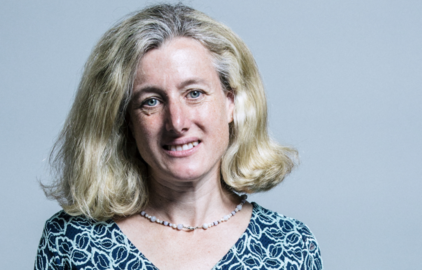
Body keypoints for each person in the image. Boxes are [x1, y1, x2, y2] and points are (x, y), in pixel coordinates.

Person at [35, 3, 322, 270]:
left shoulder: (292, 247)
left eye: (194, 93)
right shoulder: (71, 242)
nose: (177, 122)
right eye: (151, 101)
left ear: (230, 103)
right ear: (125, 121)